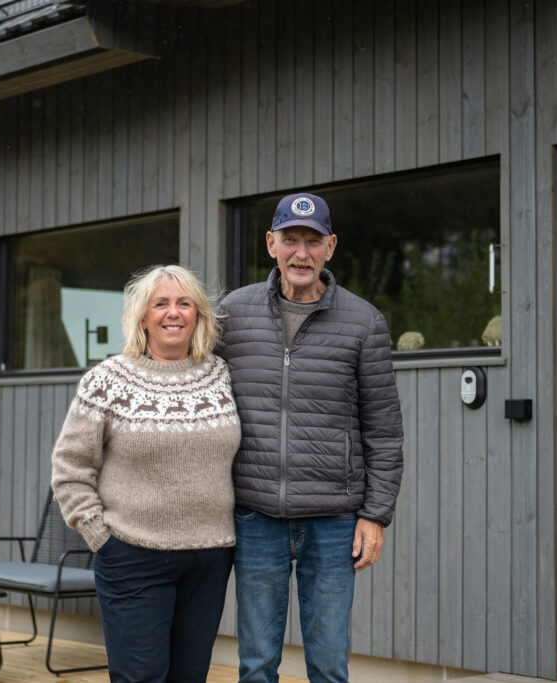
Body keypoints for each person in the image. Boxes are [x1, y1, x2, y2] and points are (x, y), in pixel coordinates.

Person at [217, 192, 404, 683]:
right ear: (270, 244)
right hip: (256, 514)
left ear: (331, 247)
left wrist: (375, 515)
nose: (301, 253)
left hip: (334, 521)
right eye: (291, 240)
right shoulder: (231, 315)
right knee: (256, 664)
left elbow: (383, 430)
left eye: (313, 241)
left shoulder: (364, 322)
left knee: (328, 664)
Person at [51, 264, 241, 683]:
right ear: (142, 317)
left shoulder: (223, 376)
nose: (173, 313)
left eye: (184, 303)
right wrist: (100, 536)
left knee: (189, 677)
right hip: (132, 556)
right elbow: (70, 468)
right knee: (140, 677)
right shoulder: (107, 381)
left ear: (199, 316)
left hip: (209, 559)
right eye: (161, 304)